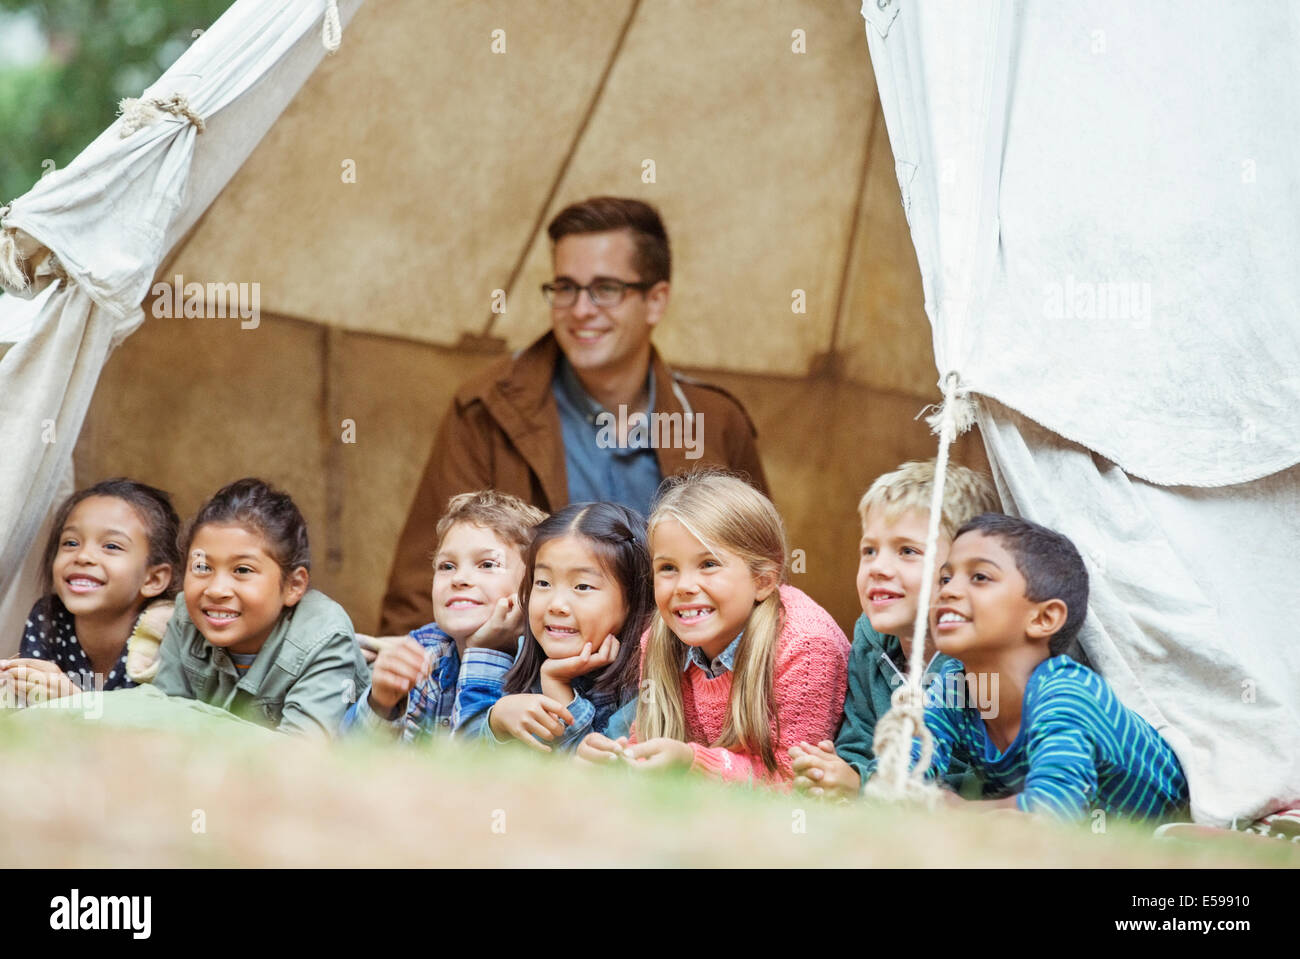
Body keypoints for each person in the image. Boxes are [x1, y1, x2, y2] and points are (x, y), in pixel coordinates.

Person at [380, 196, 769, 634]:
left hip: (685, 682)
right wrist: (422, 693)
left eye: (605, 289)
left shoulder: (715, 421)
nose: (581, 310)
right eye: (565, 288)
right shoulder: (486, 410)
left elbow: (764, 580)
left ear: (656, 301)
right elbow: (424, 586)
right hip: (525, 682)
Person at [864, 513, 1189, 821]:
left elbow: (1050, 812)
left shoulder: (1066, 695)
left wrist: (958, 810)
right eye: (945, 578)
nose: (947, 591)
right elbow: (899, 766)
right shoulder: (954, 686)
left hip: (1174, 831)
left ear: (1043, 618)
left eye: (980, 577)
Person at [577, 470, 851, 786]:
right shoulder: (660, 639)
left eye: (708, 564)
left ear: (763, 580)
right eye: (668, 568)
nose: (684, 586)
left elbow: (796, 783)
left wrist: (692, 763)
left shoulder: (805, 646)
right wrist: (620, 762)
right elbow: (650, 742)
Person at [790, 460, 998, 798]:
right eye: (869, 550)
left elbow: (977, 779)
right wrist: (834, 771)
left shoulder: (981, 660)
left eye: (907, 551)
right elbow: (859, 737)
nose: (878, 568)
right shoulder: (872, 642)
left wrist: (865, 784)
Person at [152, 478, 369, 739]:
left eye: (242, 570)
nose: (216, 590)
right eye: (202, 567)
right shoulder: (186, 617)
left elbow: (302, 755)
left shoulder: (324, 636)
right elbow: (160, 722)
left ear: (293, 585)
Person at [340, 490, 545, 740]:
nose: (459, 579)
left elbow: (474, 767)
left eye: (487, 564)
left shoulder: (546, 670)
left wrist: (484, 652)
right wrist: (380, 703)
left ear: (534, 586)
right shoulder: (424, 653)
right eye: (447, 566)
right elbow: (345, 761)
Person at [453, 502, 652, 752]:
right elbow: (460, 764)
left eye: (582, 586)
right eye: (544, 582)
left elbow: (604, 775)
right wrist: (497, 721)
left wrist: (557, 686)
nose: (556, 605)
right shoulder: (521, 652)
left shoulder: (647, 682)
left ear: (634, 600)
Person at [2, 478, 180, 702]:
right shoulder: (49, 617)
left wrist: (76, 701)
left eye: (111, 546)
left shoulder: (167, 634)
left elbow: (165, 726)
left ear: (153, 579)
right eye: (71, 543)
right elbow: (27, 717)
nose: (83, 556)